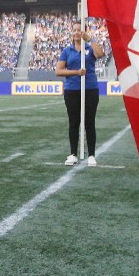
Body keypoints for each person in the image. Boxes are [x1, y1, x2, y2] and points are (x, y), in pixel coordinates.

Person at [56, 21, 105, 167]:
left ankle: (91, 155)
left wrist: (89, 39)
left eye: (79, 30)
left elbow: (101, 54)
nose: (77, 32)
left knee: (89, 122)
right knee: (74, 122)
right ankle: (73, 154)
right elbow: (58, 71)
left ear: (83, 32)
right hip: (72, 90)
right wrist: (76, 72)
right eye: (75, 30)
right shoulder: (67, 51)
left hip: (90, 89)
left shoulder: (89, 48)